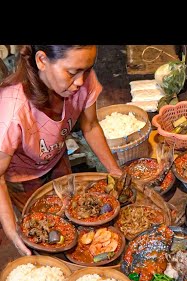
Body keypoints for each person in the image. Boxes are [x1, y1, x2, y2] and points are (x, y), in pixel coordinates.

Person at [0, 45, 122, 256]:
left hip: (56, 158)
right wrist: (13, 233)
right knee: (46, 231)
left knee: (73, 214)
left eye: (87, 70)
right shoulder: (12, 110)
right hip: (22, 177)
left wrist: (115, 170)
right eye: (73, 72)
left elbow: (90, 126)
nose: (81, 82)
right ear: (42, 60)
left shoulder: (81, 79)